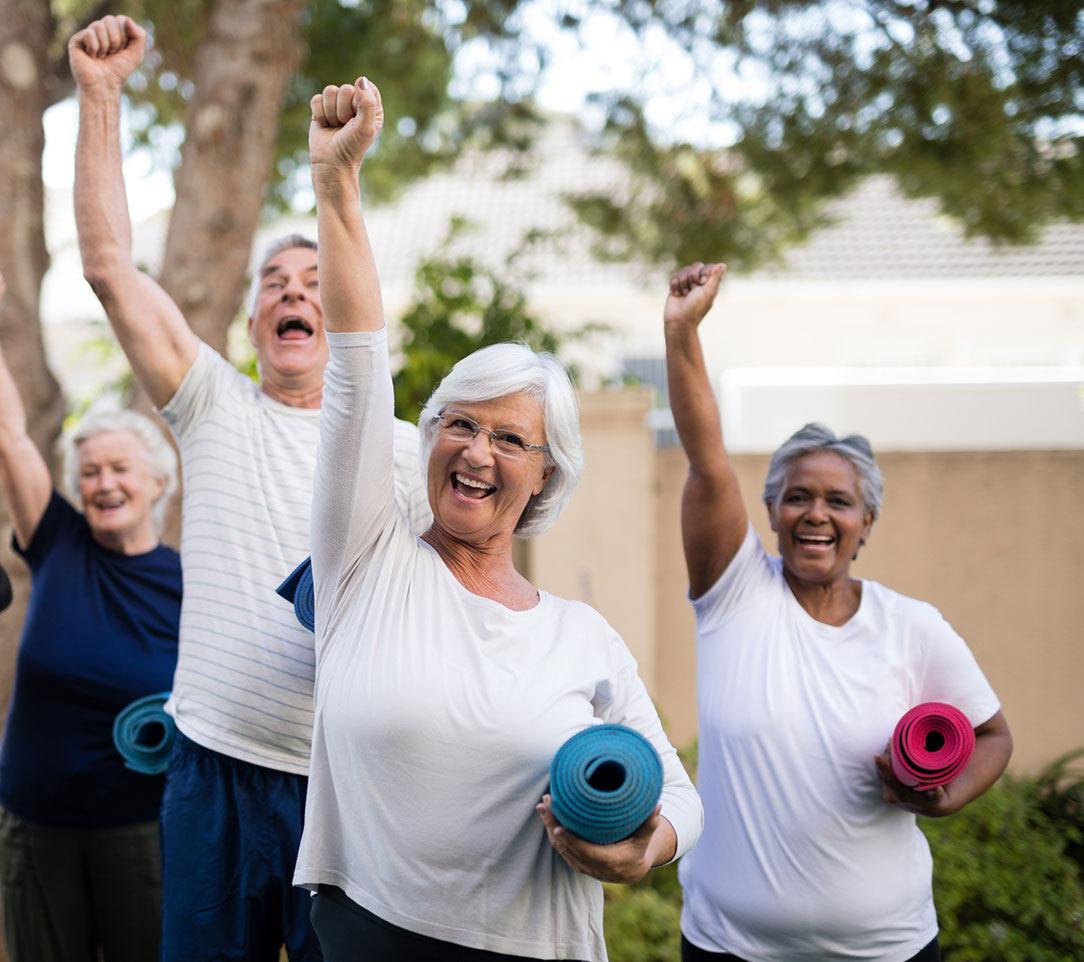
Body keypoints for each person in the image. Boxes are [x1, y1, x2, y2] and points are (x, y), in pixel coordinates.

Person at [291, 77, 702, 961]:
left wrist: (641, 851)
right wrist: (336, 185)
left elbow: (680, 795)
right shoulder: (367, 562)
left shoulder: (581, 636)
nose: (477, 451)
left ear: (545, 472)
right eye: (459, 424)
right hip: (371, 933)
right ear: (428, 438)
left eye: (508, 438)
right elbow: (359, 370)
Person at [68, 16, 432, 961]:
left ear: (345, 303)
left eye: (314, 279)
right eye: (273, 282)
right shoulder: (211, 406)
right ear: (254, 316)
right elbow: (109, 267)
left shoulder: (405, 451)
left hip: (346, 788)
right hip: (213, 773)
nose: (291, 294)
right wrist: (101, 96)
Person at [662, 262, 1013, 962]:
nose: (815, 514)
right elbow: (708, 465)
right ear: (770, 510)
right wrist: (681, 333)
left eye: (838, 501)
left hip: (886, 951)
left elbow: (995, 737)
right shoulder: (733, 594)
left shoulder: (911, 627)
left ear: (867, 520)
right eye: (797, 496)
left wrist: (943, 798)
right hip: (731, 948)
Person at [0, 262, 182, 962]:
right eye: (89, 473)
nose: (104, 483)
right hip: (38, 822)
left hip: (141, 829)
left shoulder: (190, 583)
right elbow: (7, 438)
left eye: (119, 469)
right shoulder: (59, 541)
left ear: (156, 481)